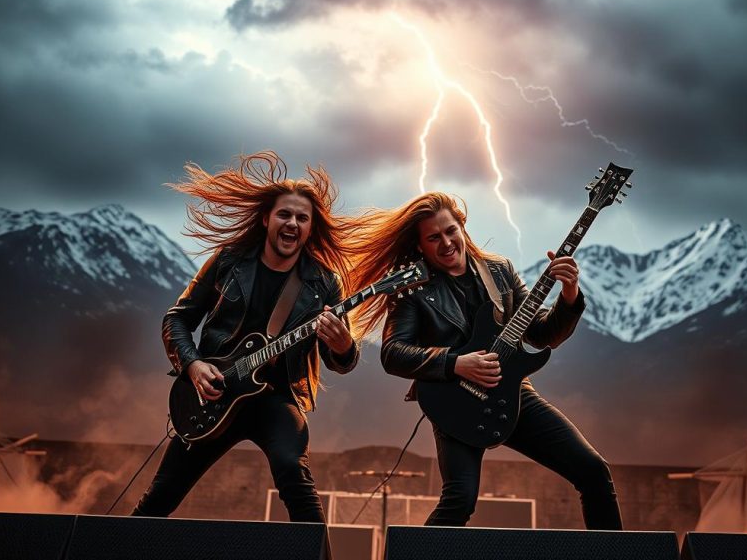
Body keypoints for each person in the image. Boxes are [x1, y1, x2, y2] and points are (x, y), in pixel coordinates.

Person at [344, 192, 622, 529]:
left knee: (593, 471)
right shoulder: (412, 289)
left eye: (450, 231)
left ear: (462, 226)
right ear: (420, 246)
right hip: (454, 401)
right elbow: (392, 353)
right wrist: (455, 362)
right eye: (434, 237)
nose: (446, 242)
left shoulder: (499, 271)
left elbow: (542, 334)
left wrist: (569, 294)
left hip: (513, 394)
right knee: (460, 499)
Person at [132, 151, 359, 522]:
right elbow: (177, 319)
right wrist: (193, 365)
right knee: (161, 496)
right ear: (266, 218)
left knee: (295, 478)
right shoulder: (229, 260)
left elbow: (341, 362)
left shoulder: (323, 282)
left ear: (311, 228)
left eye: (303, 218)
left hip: (277, 400)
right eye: (285, 214)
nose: (293, 223)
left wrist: (343, 346)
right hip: (216, 395)